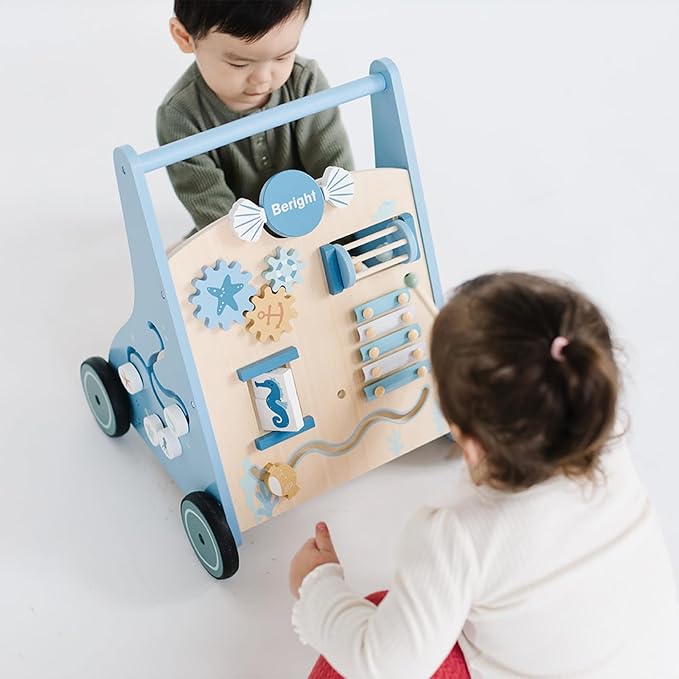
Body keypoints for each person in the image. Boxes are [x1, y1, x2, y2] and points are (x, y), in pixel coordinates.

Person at [289, 272, 679, 678]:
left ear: (471, 444)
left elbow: (383, 665)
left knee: (371, 624)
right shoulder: (609, 438)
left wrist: (316, 588)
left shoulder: (457, 537)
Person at [157, 0, 353, 235]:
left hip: (316, 221)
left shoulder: (305, 82)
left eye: (282, 57)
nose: (262, 78)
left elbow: (338, 179)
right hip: (240, 237)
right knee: (182, 256)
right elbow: (215, 216)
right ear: (185, 37)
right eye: (239, 63)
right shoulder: (180, 116)